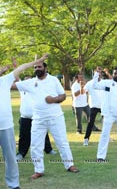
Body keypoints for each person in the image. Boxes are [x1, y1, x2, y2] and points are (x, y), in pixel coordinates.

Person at [15, 57, 79, 180]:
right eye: (35, 67)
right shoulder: (30, 82)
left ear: (45, 68)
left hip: (55, 117)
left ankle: (69, 165)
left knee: (62, 143)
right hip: (38, 119)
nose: (37, 69)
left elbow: (63, 96)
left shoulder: (54, 80)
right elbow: (12, 84)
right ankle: (38, 170)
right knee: (35, 145)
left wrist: (53, 100)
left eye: (39, 67)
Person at [0, 55, 49, 189]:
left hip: (5, 127)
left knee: (10, 159)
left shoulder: (5, 80)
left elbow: (22, 67)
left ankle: (13, 185)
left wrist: (37, 61)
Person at [16, 76, 57, 161]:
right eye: (25, 81)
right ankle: (21, 153)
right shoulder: (22, 90)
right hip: (25, 117)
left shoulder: (37, 89)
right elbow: (17, 78)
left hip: (38, 116)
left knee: (43, 134)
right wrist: (16, 66)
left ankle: (48, 150)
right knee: (24, 136)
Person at [82, 69, 109, 146]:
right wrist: (82, 86)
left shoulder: (104, 82)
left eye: (99, 73)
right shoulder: (90, 83)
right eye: (97, 73)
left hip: (103, 105)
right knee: (90, 122)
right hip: (93, 106)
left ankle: (106, 137)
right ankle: (86, 139)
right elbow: (83, 92)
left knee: (106, 122)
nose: (98, 74)